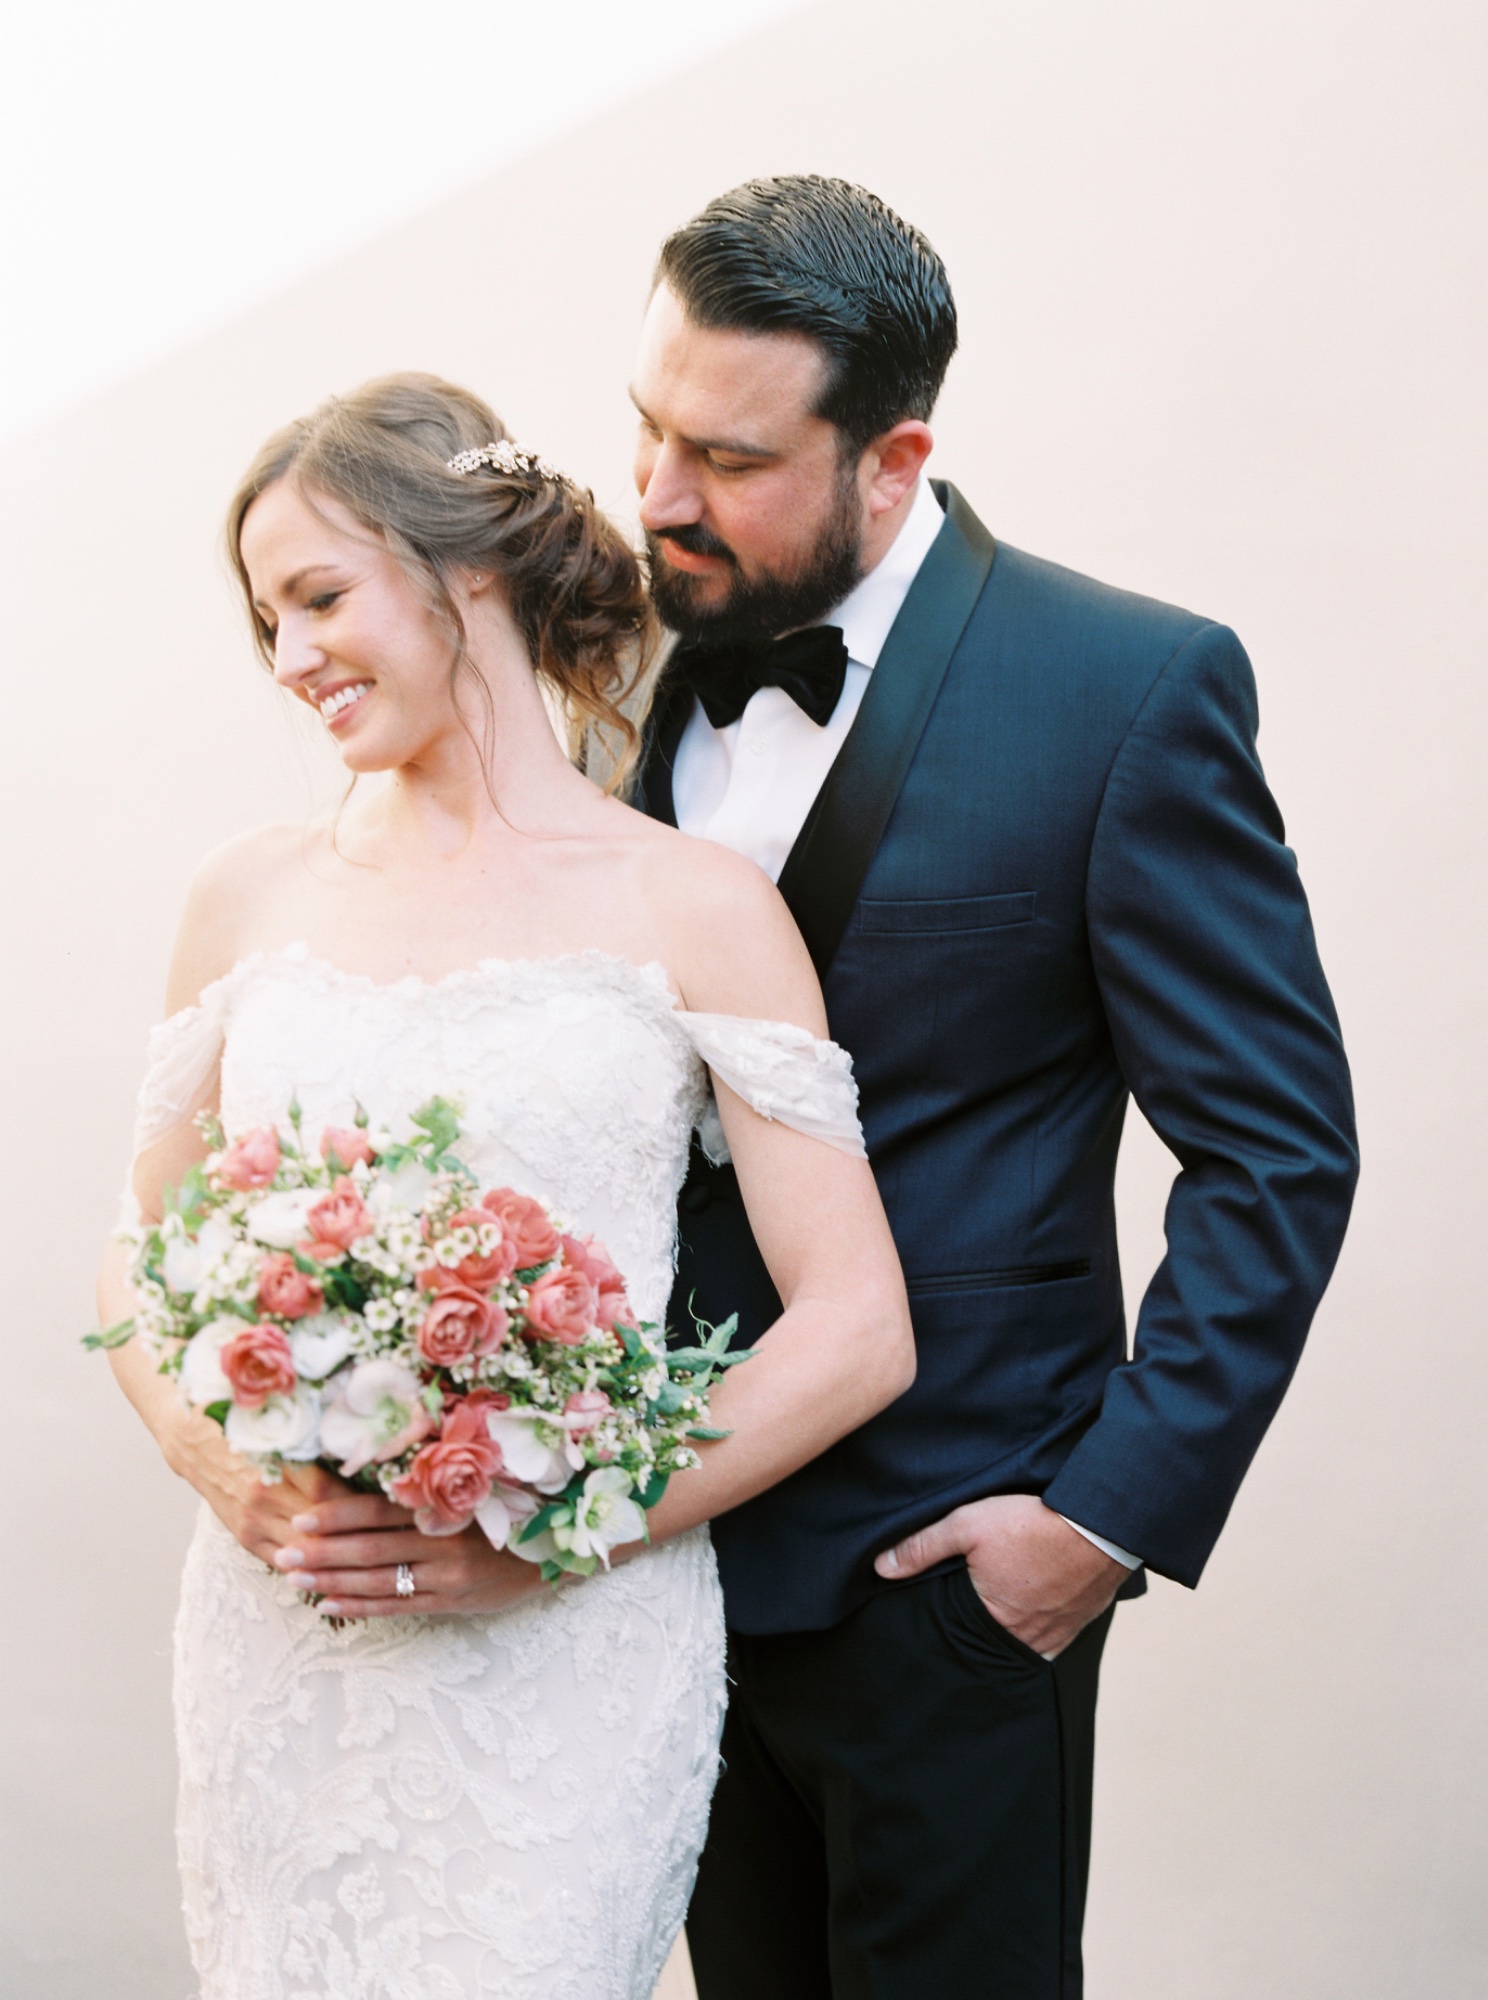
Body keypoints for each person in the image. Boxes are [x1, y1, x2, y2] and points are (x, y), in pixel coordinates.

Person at [94, 372, 914, 2000]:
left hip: (571, 1650)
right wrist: (220, 1469)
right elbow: (137, 1261)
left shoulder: (698, 907)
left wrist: (559, 1531)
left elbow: (858, 1327)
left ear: (469, 569)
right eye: (269, 620)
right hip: (288, 1643)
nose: (292, 655)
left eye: (322, 595)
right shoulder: (245, 896)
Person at [629, 176, 1359, 1999]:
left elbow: (1278, 1148)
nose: (654, 496)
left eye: (723, 456)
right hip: (649, 1574)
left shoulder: (1125, 688)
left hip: (945, 1582)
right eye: (645, 426)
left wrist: (1097, 1525)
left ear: (893, 458)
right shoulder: (607, 660)